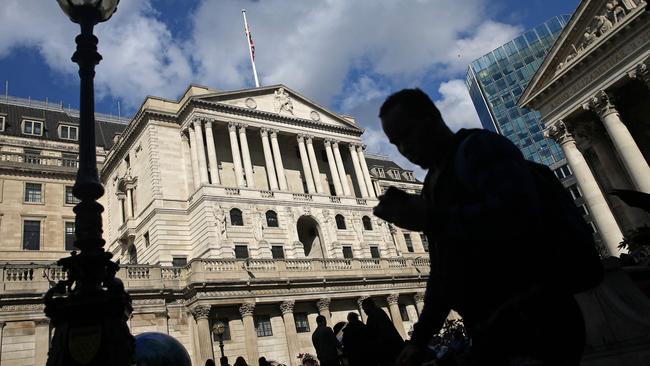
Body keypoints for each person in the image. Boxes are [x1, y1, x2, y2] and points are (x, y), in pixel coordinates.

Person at [374, 88, 603, 365]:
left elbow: (517, 216)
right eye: (396, 142)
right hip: (492, 327)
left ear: (431, 119)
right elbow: (443, 272)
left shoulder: (480, 148)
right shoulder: (434, 181)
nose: (404, 149)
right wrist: (418, 340)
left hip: (537, 316)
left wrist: (431, 218)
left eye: (407, 134)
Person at [361, 298, 405, 366]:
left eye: (364, 308)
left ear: (369, 306)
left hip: (387, 349)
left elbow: (374, 333)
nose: (364, 311)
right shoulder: (379, 312)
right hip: (391, 346)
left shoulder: (373, 315)